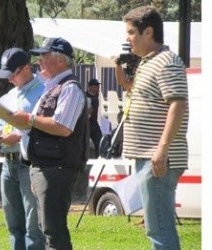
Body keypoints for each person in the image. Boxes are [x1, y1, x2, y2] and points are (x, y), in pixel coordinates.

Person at [10, 37, 89, 250]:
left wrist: (29, 119)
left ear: (61, 60)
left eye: (45, 56)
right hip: (46, 166)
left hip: (57, 167)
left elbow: (62, 127)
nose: (40, 61)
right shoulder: (53, 86)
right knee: (47, 228)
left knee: (53, 231)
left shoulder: (70, 88)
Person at [121, 6, 189, 249]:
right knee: (156, 227)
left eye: (131, 32)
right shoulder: (148, 62)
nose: (127, 38)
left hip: (157, 159)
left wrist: (161, 150)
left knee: (159, 228)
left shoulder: (166, 61)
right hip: (150, 157)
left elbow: (178, 104)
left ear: (148, 32)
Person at [0, 48, 45, 250]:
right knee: (13, 225)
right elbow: (5, 130)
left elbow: (45, 128)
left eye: (13, 74)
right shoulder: (9, 96)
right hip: (8, 163)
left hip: (29, 164)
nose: (10, 79)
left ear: (27, 68)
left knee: (33, 225)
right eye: (8, 75)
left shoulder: (44, 91)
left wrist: (19, 136)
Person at [86, 78, 102, 157]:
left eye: (97, 86)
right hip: (86, 125)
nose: (97, 87)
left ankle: (99, 160)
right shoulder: (86, 97)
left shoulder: (96, 95)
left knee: (100, 143)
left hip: (94, 125)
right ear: (89, 87)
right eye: (95, 85)